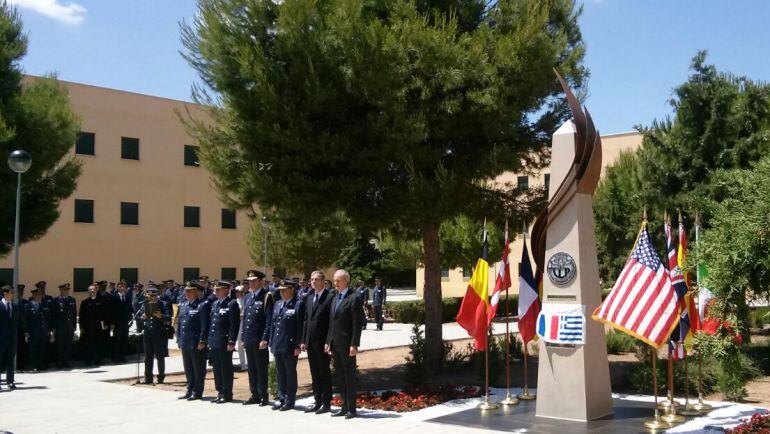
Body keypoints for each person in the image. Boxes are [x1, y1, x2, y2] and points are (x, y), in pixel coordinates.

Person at [325, 269, 363, 419]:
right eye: (334, 281)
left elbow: (356, 324)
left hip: (347, 345)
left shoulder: (354, 298)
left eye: (338, 281)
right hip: (336, 344)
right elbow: (331, 323)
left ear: (346, 281)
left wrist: (354, 344)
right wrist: (328, 341)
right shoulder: (335, 298)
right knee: (340, 377)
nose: (335, 283)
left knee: (349, 377)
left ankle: (352, 410)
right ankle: (344, 406)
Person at [265, 280, 305, 411]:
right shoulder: (278, 304)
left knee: (290, 373)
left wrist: (298, 345)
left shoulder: (298, 304)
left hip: (290, 345)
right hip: (278, 344)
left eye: (284, 290)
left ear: (292, 290)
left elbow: (300, 326)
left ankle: (290, 400)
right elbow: (273, 325)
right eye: (280, 290)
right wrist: (271, 341)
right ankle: (282, 398)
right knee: (280, 373)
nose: (282, 292)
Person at [301, 270, 333, 414]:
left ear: (323, 281)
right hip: (311, 343)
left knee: (324, 373)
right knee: (314, 373)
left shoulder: (330, 297)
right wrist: (303, 340)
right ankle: (317, 400)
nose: (313, 282)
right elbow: (306, 320)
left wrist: (329, 341)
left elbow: (331, 322)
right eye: (312, 279)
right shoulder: (309, 297)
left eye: (316, 279)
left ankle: (327, 402)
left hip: (323, 343)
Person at [241, 270, 273, 406]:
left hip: (259, 339)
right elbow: (246, 319)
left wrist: (265, 338)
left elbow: (268, 320)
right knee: (252, 368)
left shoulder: (266, 296)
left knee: (261, 368)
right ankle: (254, 393)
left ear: (260, 281)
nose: (251, 282)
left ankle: (263, 395)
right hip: (249, 338)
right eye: (249, 280)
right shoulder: (247, 297)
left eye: (254, 280)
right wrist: (243, 336)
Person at [176, 281, 210, 401]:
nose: (187, 293)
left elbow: (204, 325)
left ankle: (197, 391)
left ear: (196, 292)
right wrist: (179, 339)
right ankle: (189, 389)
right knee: (188, 368)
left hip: (196, 343)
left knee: (198, 368)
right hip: (185, 342)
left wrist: (202, 340)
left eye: (189, 291)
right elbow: (180, 324)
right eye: (186, 291)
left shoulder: (202, 305)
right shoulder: (184, 305)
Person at [207, 280, 240, 403]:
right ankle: (220, 391)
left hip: (224, 341)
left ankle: (227, 393)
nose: (215, 291)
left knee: (225, 368)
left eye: (218, 289)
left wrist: (231, 341)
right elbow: (213, 324)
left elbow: (234, 325)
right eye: (215, 289)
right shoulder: (215, 303)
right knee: (216, 368)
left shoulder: (231, 304)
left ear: (226, 290)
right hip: (215, 341)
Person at [137, 285, 170, 384]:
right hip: (148, 334)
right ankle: (148, 377)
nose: (151, 298)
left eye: (153, 296)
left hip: (159, 333)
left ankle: (161, 377)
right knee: (148, 357)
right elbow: (140, 317)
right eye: (149, 296)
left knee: (160, 356)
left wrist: (160, 315)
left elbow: (169, 317)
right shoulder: (144, 305)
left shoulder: (163, 304)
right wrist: (142, 317)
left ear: (157, 295)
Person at [23, 284, 53, 372]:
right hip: (33, 331)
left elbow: (48, 318)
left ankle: (41, 364)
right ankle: (33, 365)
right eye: (37, 295)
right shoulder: (28, 306)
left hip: (43, 330)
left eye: (40, 295)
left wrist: (49, 329)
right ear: (33, 296)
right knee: (33, 349)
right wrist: (26, 331)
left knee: (42, 348)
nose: (39, 297)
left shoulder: (45, 304)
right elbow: (25, 320)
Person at [79, 284, 106, 366]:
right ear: (88, 291)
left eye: (93, 289)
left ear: (96, 290)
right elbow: (81, 316)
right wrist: (81, 327)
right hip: (88, 327)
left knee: (99, 344)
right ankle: (88, 360)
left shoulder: (101, 301)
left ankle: (98, 360)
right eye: (90, 290)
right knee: (88, 344)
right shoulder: (84, 302)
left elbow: (104, 314)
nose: (92, 291)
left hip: (98, 327)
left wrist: (105, 324)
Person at [0, 285, 20, 389]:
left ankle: (10, 381)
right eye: (11, 292)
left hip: (12, 339)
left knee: (10, 361)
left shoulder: (15, 306)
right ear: (5, 293)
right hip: (1, 339)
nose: (13, 294)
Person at [53, 283, 77, 368]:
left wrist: (74, 326)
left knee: (68, 345)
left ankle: (66, 362)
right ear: (60, 290)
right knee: (60, 345)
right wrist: (54, 328)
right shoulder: (56, 300)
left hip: (69, 326)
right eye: (64, 290)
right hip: (60, 327)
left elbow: (74, 314)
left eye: (67, 290)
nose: (66, 291)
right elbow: (54, 314)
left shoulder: (72, 300)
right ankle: (59, 363)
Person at [112, 281, 133, 363]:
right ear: (117, 288)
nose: (122, 288)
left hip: (125, 322)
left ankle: (122, 356)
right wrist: (112, 323)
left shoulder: (127, 297)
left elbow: (129, 309)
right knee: (117, 340)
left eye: (123, 287)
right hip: (117, 322)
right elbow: (112, 311)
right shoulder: (114, 297)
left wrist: (130, 319)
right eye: (120, 287)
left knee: (124, 339)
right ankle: (115, 357)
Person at [233, 284, 247, 371]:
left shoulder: (246, 300)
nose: (239, 293)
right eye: (238, 292)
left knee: (240, 345)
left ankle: (243, 365)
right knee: (234, 345)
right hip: (236, 324)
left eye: (241, 292)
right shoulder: (235, 301)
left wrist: (242, 315)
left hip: (242, 325)